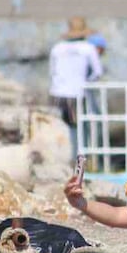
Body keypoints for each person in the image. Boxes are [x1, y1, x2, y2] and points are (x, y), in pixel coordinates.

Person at [49, 17, 103, 159]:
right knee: (79, 128)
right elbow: (97, 72)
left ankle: (60, 160)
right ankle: (79, 160)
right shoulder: (88, 48)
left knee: (59, 128)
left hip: (57, 93)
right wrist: (86, 82)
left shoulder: (57, 48)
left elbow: (52, 72)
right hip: (77, 93)